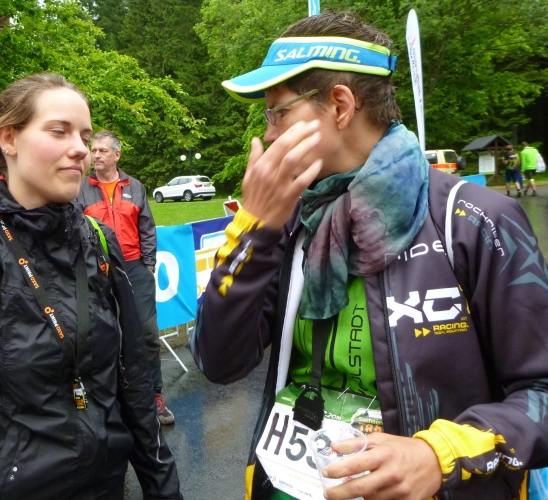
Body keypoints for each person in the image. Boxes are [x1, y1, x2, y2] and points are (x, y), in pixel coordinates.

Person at [190, 11, 548, 500]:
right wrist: (252, 229)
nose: (269, 134)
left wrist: (440, 454)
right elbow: (218, 362)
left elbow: (540, 392)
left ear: (340, 105)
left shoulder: (473, 219)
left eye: (278, 113)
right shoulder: (291, 219)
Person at [0, 74, 182, 499]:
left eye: (85, 136)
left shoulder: (98, 241)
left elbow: (135, 384)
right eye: (59, 131)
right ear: (8, 139)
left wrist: (164, 489)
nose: (81, 149)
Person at [77, 130, 174, 425]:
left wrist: (148, 264)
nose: (95, 155)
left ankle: (154, 395)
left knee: (146, 332)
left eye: (102, 151)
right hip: (98, 270)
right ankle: (112, 402)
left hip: (134, 267)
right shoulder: (81, 189)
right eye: (93, 150)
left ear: (117, 155)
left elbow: (147, 227)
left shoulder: (135, 187)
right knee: (102, 336)